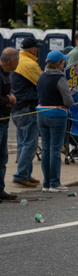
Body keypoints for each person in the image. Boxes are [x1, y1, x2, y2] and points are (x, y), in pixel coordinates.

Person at [36, 50, 74, 192]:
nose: (64, 63)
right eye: (63, 61)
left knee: (46, 148)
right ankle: (55, 183)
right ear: (58, 64)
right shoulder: (60, 78)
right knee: (55, 149)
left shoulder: (42, 76)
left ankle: (46, 184)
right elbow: (68, 101)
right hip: (57, 115)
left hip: (41, 114)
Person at [11, 38, 42, 188]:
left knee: (22, 143)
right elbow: (42, 83)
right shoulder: (29, 64)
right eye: (36, 48)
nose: (37, 50)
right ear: (31, 49)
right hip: (27, 108)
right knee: (30, 144)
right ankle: (21, 175)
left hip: (16, 107)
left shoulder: (18, 60)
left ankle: (26, 174)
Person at [0, 48, 20, 202]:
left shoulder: (6, 74)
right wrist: (10, 100)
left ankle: (0, 190)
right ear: (12, 61)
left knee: (3, 158)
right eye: (17, 60)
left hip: (5, 120)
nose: (19, 62)